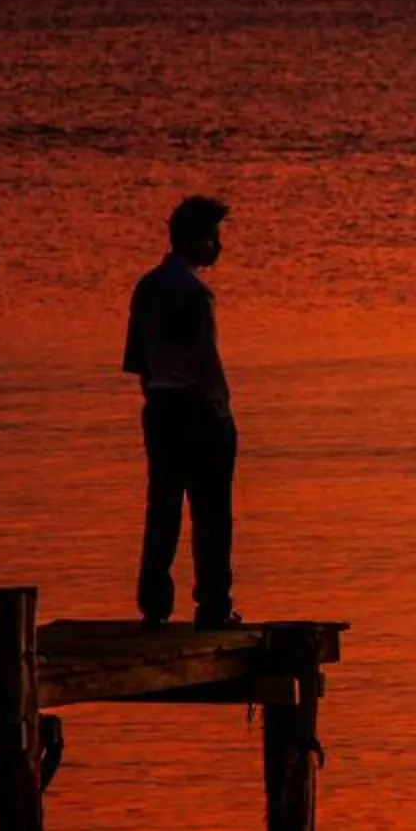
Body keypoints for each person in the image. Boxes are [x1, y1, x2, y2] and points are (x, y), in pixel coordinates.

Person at [124, 195, 240, 628]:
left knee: (163, 509)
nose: (218, 247)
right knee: (211, 512)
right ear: (194, 239)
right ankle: (213, 606)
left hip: (159, 407)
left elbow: (137, 360)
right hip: (198, 410)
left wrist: (157, 397)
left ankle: (154, 604)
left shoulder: (147, 287)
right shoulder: (195, 294)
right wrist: (222, 415)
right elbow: (205, 364)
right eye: (213, 237)